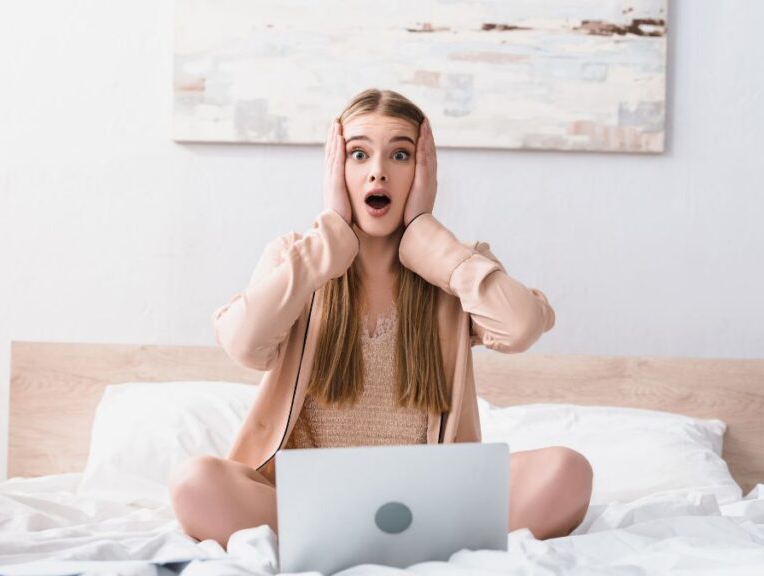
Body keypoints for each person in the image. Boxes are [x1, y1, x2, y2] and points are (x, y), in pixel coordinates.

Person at [168, 88, 592, 550]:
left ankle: (357, 543)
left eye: (401, 154)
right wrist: (328, 237)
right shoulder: (297, 258)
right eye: (358, 154)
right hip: (306, 500)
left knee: (567, 471)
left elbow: (522, 325)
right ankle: (393, 544)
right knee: (195, 482)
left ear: (423, 171)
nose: (378, 171)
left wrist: (428, 237)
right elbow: (244, 344)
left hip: (430, 497)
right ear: (337, 170)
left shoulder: (455, 269)